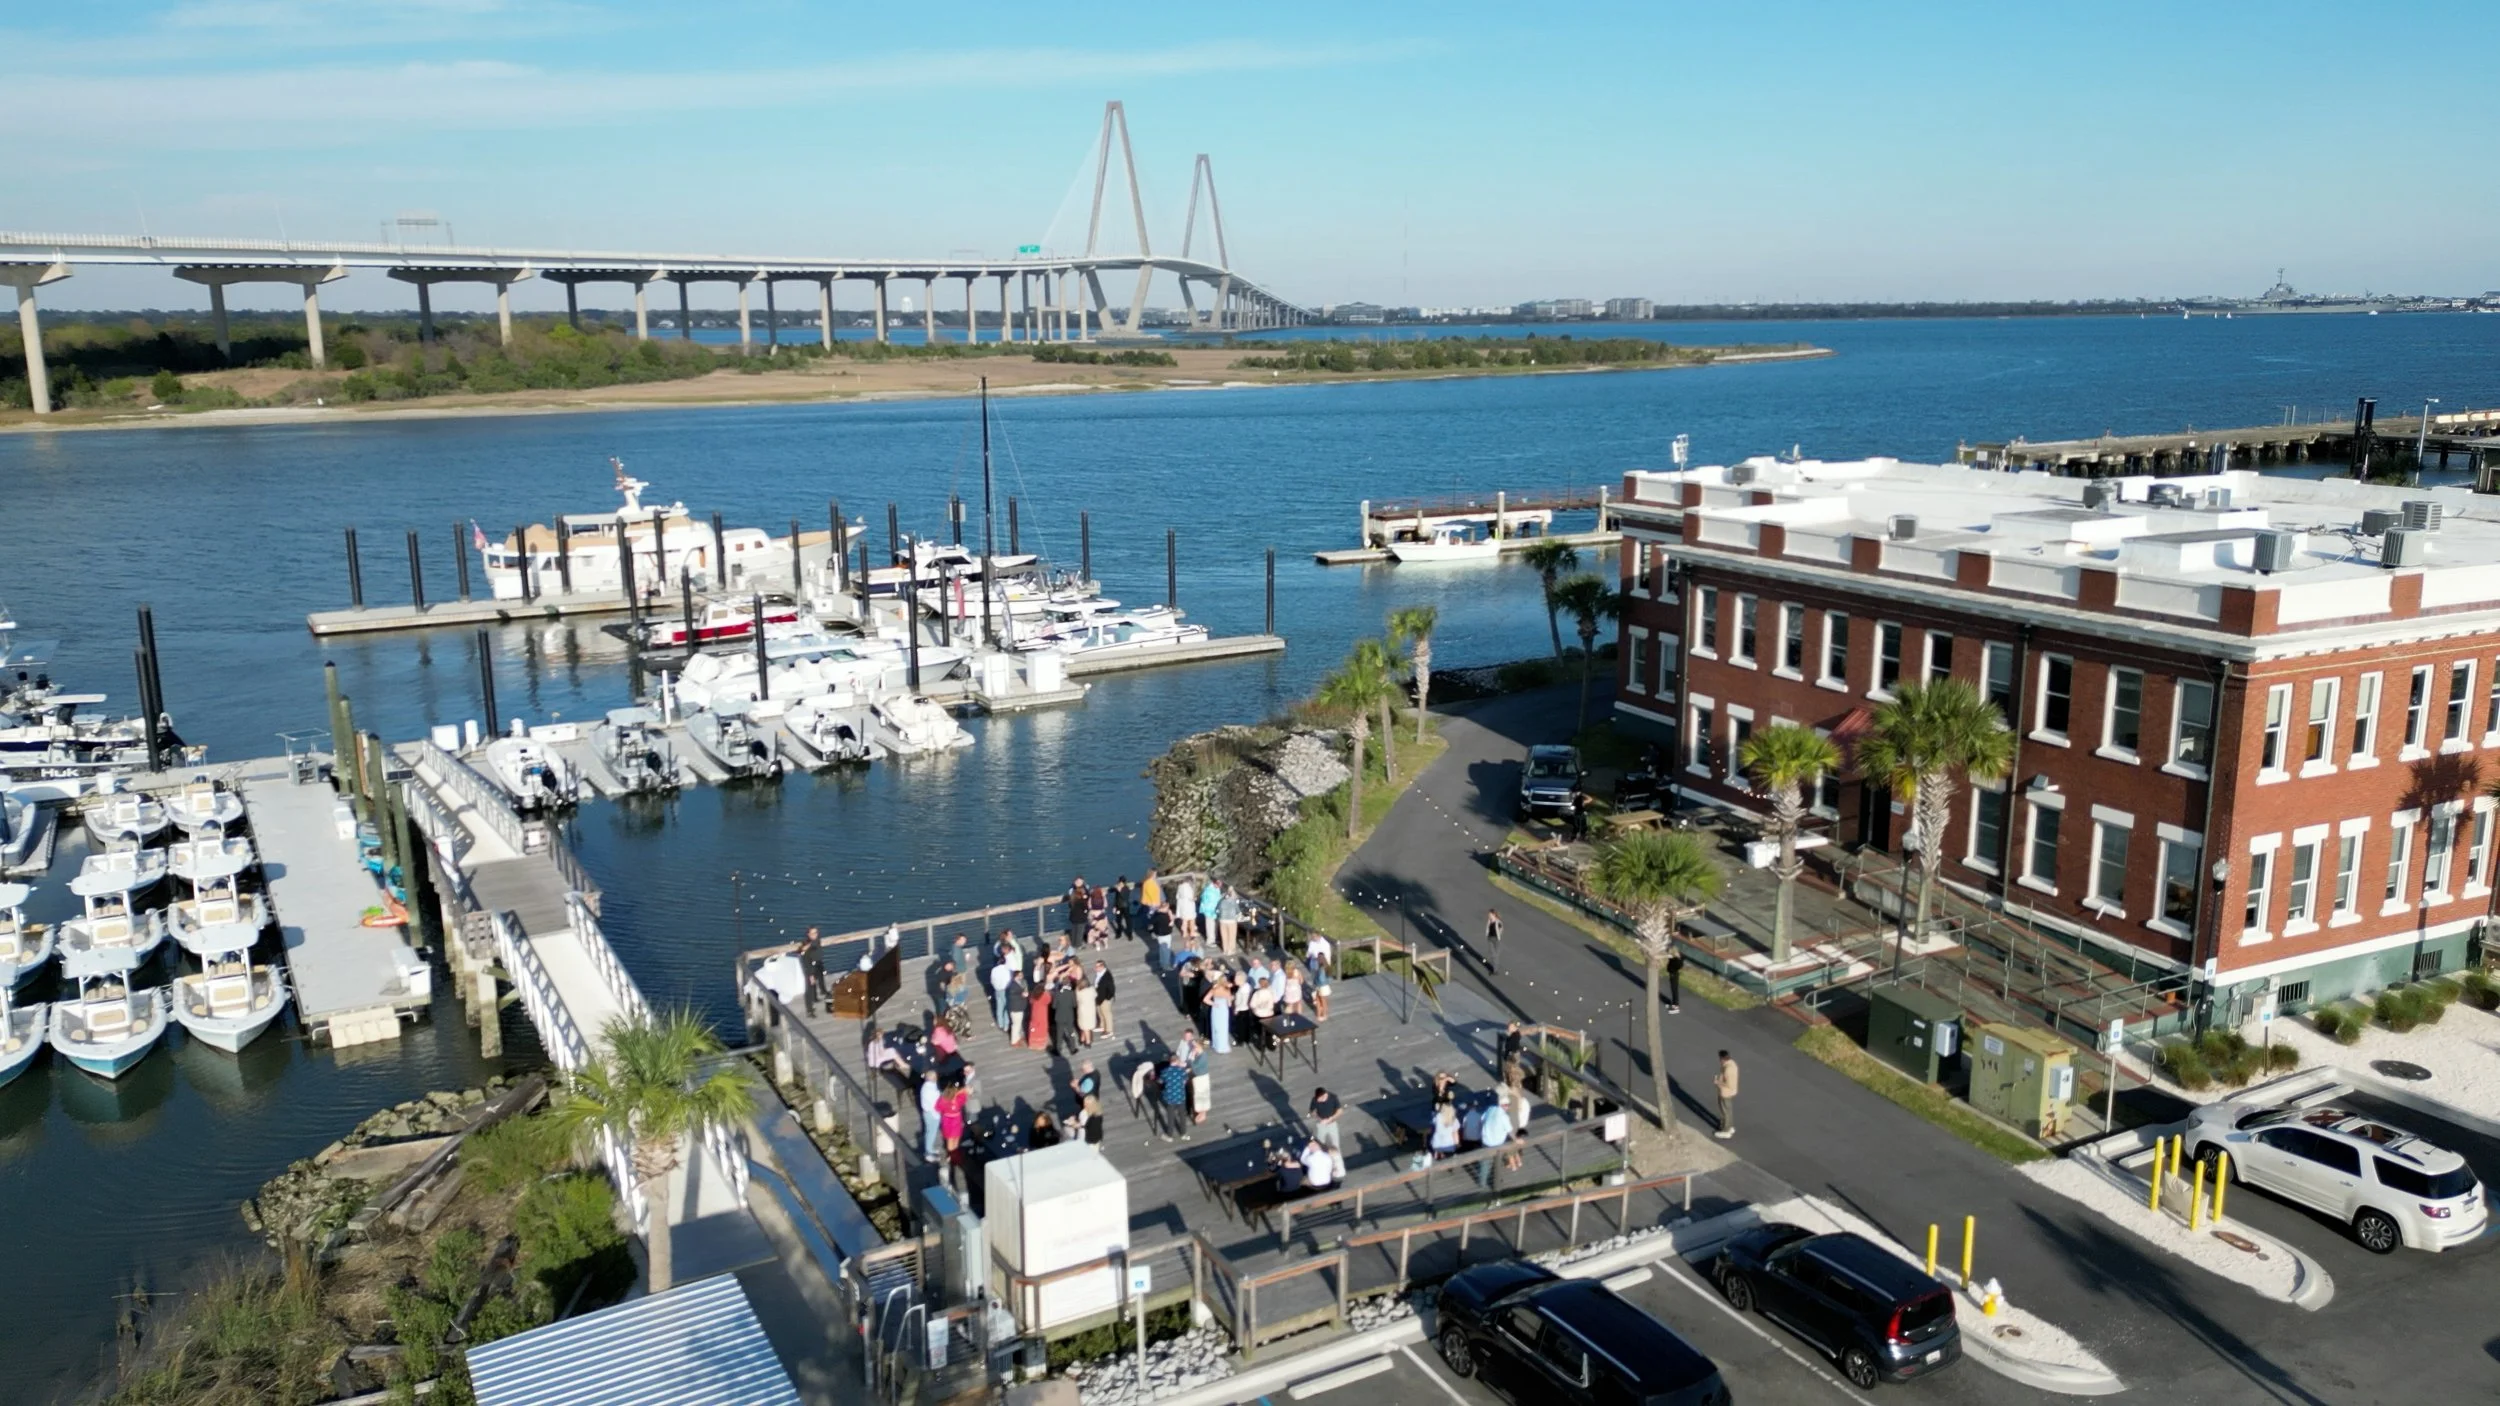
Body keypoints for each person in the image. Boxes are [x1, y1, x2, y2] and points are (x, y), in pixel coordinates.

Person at [1475, 1091, 1514, 1186]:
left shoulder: (1490, 1109)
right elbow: (1510, 1131)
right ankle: (1496, 1181)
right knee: (1497, 1163)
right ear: (1504, 1105)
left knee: (1485, 1163)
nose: (1508, 1107)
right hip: (1497, 1144)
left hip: (1486, 1141)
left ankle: (1482, 1182)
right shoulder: (1504, 1116)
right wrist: (1516, 1139)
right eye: (1508, 1105)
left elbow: (1481, 1120)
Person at [1309, 1086, 1344, 1180]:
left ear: (1325, 1095)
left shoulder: (1333, 1097)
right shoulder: (1315, 1100)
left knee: (1335, 1145)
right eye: (1317, 1099)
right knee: (1320, 1146)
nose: (1318, 1101)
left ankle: (1340, 1169)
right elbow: (1312, 1112)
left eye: (1319, 1099)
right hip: (1321, 1124)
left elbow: (1340, 1111)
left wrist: (1330, 1119)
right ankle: (1324, 1168)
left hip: (1332, 1123)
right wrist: (1319, 1119)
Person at [1158, 1053, 1191, 1142]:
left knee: (1171, 1116)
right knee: (1182, 1115)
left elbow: (1160, 1081)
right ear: (1177, 1061)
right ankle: (1183, 1134)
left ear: (1170, 1061)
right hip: (1180, 1096)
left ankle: (1170, 1136)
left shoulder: (1165, 1072)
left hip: (1170, 1097)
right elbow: (1185, 1080)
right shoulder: (1182, 1071)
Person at [798, 928, 826, 1016]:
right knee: (809, 987)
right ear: (808, 934)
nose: (814, 934)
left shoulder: (817, 941)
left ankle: (815, 998)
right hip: (809, 967)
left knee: (817, 980)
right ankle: (809, 1010)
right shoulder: (806, 943)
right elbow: (801, 951)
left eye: (816, 933)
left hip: (817, 964)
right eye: (812, 933)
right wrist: (810, 975)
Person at [1204, 972, 1234, 1054]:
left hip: (1216, 1009)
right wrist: (1232, 998)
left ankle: (1216, 1044)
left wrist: (1214, 1004)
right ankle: (1222, 1046)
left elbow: (1206, 999)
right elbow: (1229, 1004)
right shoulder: (1227, 990)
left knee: (1216, 1027)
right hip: (1223, 1010)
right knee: (1223, 1028)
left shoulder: (1214, 989)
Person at [918, 1070, 943, 1163]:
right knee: (931, 1133)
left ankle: (930, 1148)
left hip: (928, 1112)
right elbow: (935, 1103)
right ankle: (928, 1153)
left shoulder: (927, 1086)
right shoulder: (930, 1090)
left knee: (930, 1132)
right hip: (932, 1114)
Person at [1715, 1050, 1739, 1139]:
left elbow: (1728, 1084)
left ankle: (1726, 1130)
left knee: (1725, 1111)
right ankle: (1729, 1126)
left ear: (1722, 1059)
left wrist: (1717, 1082)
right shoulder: (1732, 1064)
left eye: (1720, 1058)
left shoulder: (1727, 1069)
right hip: (1731, 1092)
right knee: (1728, 1110)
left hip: (1725, 1093)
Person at [1188, 1038, 1213, 1125]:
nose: (1194, 1048)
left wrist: (1191, 1058)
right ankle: (1201, 1113)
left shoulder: (1202, 1056)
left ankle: (1203, 1113)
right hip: (1201, 1077)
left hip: (1201, 1078)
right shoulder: (1201, 1055)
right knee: (1201, 1094)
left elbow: (1195, 1068)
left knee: (1201, 1094)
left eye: (1195, 1047)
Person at [1428, 1100, 1462, 1164]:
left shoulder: (1438, 1116)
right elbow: (1455, 1134)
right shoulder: (1454, 1119)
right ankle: (1448, 1162)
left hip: (1436, 1144)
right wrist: (1457, 1144)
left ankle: (1438, 1154)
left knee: (1437, 1148)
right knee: (1451, 1154)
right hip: (1449, 1145)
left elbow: (1432, 1127)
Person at [1073, 966, 1099, 1046]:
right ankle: (1084, 1039)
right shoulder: (1091, 990)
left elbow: (1077, 999)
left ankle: (1086, 1040)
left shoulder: (1078, 991)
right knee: (1086, 1027)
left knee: (1084, 1027)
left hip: (1082, 1011)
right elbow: (1095, 995)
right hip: (1090, 1010)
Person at [990, 953, 1015, 1031]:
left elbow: (992, 980)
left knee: (999, 1007)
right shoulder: (1008, 970)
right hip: (1005, 990)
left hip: (997, 990)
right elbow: (1010, 980)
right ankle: (1006, 1024)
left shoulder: (994, 970)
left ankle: (1000, 1023)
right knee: (1006, 1008)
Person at [1027, 973, 1052, 1052]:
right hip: (1042, 1013)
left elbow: (1030, 1001)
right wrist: (1047, 992)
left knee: (1034, 1027)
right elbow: (1049, 1000)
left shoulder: (1033, 995)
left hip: (1035, 1012)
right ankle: (1040, 1044)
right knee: (1041, 1027)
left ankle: (1032, 1044)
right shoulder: (1044, 995)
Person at [1199, 880, 1225, 951]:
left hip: (1215, 910)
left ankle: (1214, 939)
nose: (1220, 887)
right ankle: (1209, 941)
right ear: (1215, 884)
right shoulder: (1208, 890)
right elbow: (1208, 900)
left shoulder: (1217, 889)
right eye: (1219, 885)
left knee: (1215, 925)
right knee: (1210, 926)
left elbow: (1217, 897)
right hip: (1209, 910)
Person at [1093, 961, 1116, 1039]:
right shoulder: (1099, 974)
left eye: (1097, 966)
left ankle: (1109, 1030)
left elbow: (1111, 988)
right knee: (1100, 1012)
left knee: (1107, 1014)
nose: (1095, 968)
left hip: (1105, 998)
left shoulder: (1107, 976)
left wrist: (1108, 998)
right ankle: (1102, 1025)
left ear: (1102, 966)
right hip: (1099, 997)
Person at [1215, 886, 1243, 953]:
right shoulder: (1233, 902)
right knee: (1232, 936)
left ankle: (1225, 950)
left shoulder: (1221, 902)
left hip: (1222, 920)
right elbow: (1238, 911)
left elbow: (1217, 911)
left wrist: (1219, 916)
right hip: (1231, 921)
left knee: (1224, 936)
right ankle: (1231, 950)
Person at [1666, 948, 1686, 1014]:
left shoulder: (1678, 962)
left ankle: (1676, 1006)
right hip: (1672, 975)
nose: (1676, 954)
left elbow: (1673, 963)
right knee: (1673, 989)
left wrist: (1671, 958)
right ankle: (1674, 1004)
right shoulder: (1677, 960)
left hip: (1674, 975)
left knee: (1674, 990)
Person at [1483, 909, 1502, 974]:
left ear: (1493, 915)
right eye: (1489, 915)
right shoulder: (1489, 921)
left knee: (1496, 955)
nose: (1489, 916)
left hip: (1496, 939)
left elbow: (1501, 928)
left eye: (1490, 914)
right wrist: (1487, 934)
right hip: (1490, 939)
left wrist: (1499, 935)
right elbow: (1487, 928)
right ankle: (1495, 969)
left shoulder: (1498, 922)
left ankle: (1495, 970)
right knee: (1493, 954)